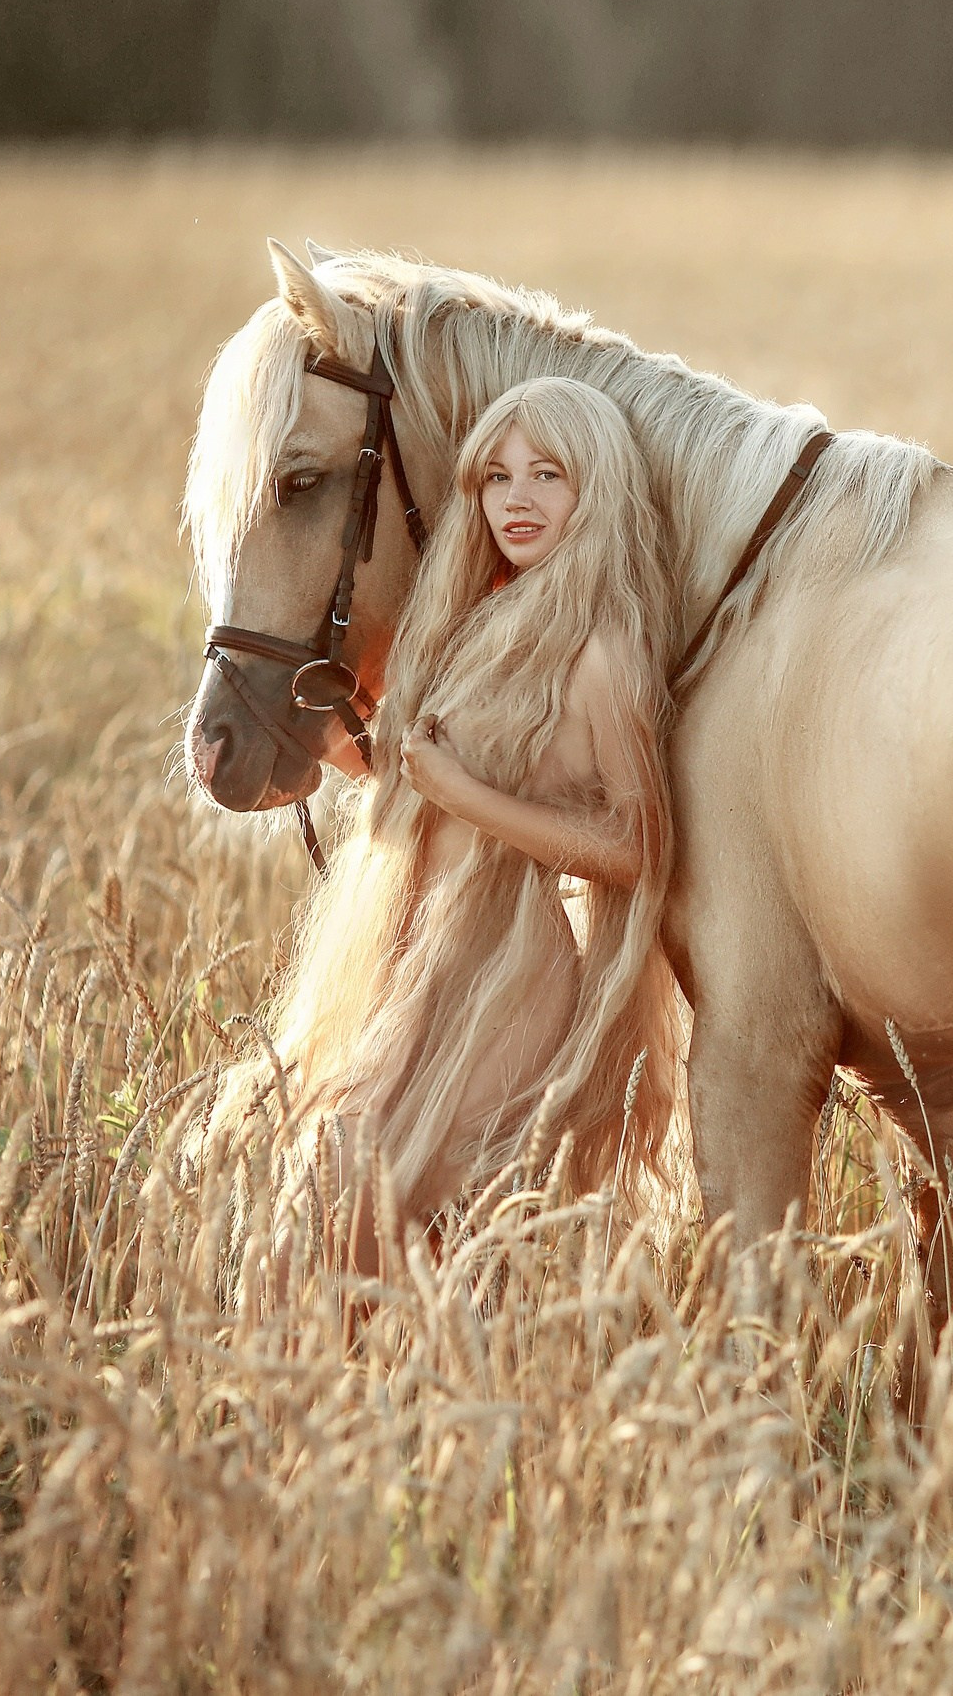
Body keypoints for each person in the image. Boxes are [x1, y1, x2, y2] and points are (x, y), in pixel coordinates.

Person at [246, 376, 682, 1267]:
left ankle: (471, 1391)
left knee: (393, 1195)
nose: (516, 499)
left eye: (547, 474)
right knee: (328, 1183)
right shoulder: (477, 622)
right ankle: (362, 1400)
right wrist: (327, 744)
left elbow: (636, 850)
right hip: (426, 946)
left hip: (514, 968)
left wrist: (460, 791)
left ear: (594, 489)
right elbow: (426, 781)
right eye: (496, 476)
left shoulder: (603, 655)